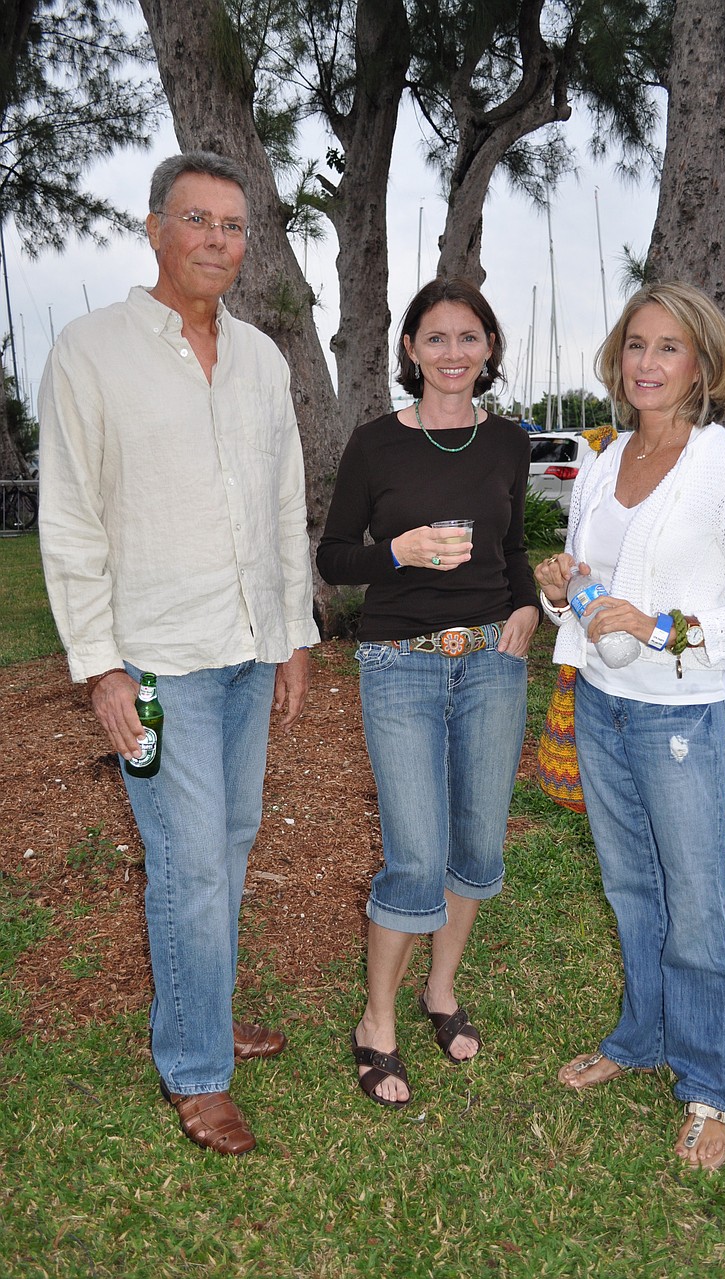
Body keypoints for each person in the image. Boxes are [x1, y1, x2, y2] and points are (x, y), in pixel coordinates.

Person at [38, 151, 319, 1155]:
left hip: (248, 648)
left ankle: (207, 1005)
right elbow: (70, 519)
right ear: (154, 227)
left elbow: (284, 503)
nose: (217, 240)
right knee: (189, 864)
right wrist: (100, 665)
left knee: (229, 843)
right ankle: (197, 1067)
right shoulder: (91, 351)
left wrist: (293, 635)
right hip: (156, 658)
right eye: (197, 219)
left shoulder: (262, 359)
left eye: (233, 225)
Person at [535, 280, 725, 1170]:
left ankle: (711, 1086)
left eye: (668, 348)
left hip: (679, 717)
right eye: (636, 345)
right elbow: (594, 588)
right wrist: (560, 587)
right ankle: (641, 1036)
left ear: (702, 364)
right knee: (630, 890)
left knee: (695, 905)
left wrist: (667, 629)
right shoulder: (603, 460)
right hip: (602, 705)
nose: (647, 363)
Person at [317, 277, 539, 1107]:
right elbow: (334, 556)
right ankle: (377, 1023)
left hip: (491, 661)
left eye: (468, 337)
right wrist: (397, 552)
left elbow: (514, 548)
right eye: (436, 338)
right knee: (415, 853)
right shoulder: (376, 444)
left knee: (476, 845)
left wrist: (526, 605)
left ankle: (440, 990)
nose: (453, 353)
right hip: (400, 663)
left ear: (489, 349)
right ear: (410, 348)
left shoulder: (509, 442)